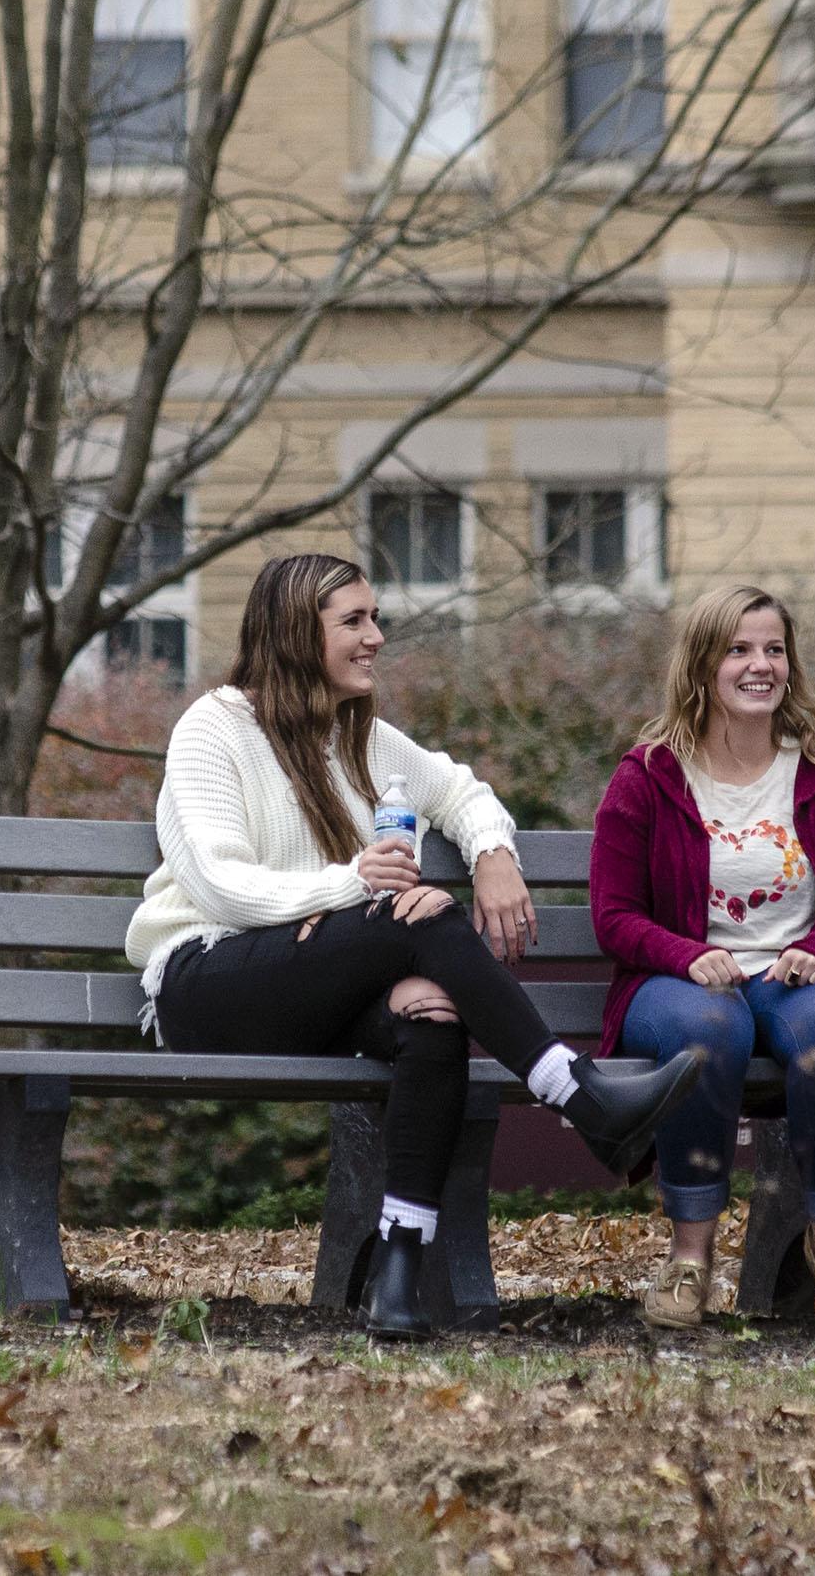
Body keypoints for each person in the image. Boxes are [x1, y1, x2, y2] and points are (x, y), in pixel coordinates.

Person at [125, 553, 700, 1342]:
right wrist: (357, 886)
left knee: (431, 1015)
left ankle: (398, 1273)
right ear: (297, 633)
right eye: (354, 622)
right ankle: (578, 1092)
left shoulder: (361, 738)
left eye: (374, 617)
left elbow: (462, 792)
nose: (377, 637)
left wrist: (494, 854)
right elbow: (224, 885)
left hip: (316, 991)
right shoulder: (214, 729)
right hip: (209, 982)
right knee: (417, 911)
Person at [589, 584, 815, 1342]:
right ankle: (689, 1254)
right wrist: (687, 954)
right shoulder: (648, 776)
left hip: (792, 979)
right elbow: (613, 917)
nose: (759, 665)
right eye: (739, 649)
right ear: (704, 664)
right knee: (710, 1031)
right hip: (678, 983)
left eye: (773, 649)